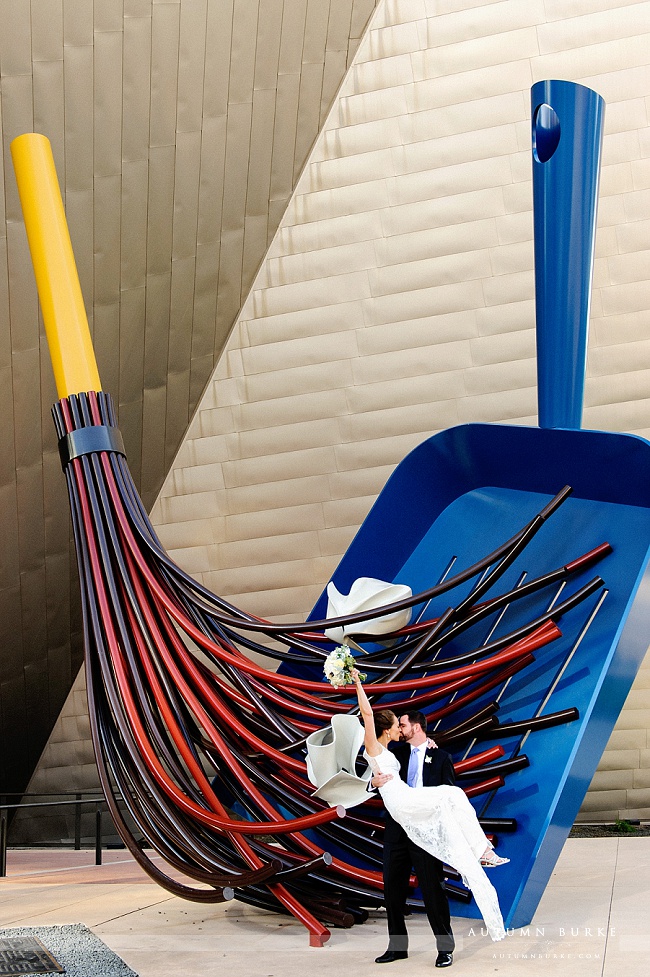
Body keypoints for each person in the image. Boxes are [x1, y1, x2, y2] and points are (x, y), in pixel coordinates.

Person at [351, 669, 507, 964]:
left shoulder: (440, 756)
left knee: (433, 889)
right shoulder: (396, 751)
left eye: (405, 724)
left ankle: (445, 949)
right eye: (398, 725)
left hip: (426, 828)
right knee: (392, 889)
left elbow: (445, 791)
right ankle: (397, 947)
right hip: (398, 827)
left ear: (418, 728)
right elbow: (369, 727)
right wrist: (372, 783)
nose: (401, 729)